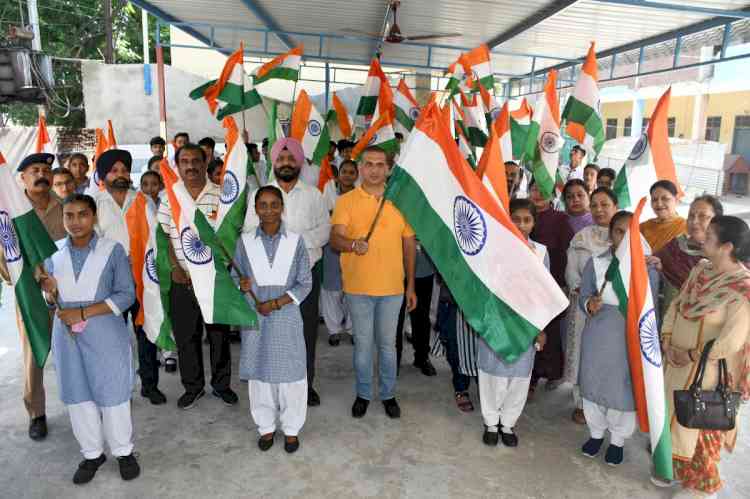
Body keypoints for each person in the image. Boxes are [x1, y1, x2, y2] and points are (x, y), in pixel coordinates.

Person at [39, 194, 140, 484]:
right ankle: (92, 453)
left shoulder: (113, 250)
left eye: (82, 214)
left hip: (105, 332)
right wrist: (50, 292)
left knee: (113, 393)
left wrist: (82, 312)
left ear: (94, 217)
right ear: (63, 219)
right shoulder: (54, 254)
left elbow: (125, 295)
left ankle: (123, 451)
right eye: (69, 215)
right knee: (78, 394)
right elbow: (50, 301)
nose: (75, 221)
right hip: (68, 337)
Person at [659, 216, 750, 498]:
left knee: (700, 425)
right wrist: (667, 340)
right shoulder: (701, 270)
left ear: (727, 247)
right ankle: (678, 472)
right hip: (676, 364)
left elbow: (731, 340)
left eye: (709, 235)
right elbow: (677, 304)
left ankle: (700, 488)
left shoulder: (742, 288)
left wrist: (691, 354)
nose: (701, 238)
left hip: (708, 375)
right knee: (674, 419)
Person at [330, 145, 417, 419]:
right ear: (360, 168)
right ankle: (364, 393)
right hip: (358, 288)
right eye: (369, 164)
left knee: (388, 346)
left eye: (380, 164)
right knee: (363, 346)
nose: (375, 170)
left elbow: (409, 245)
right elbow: (335, 239)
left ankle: (389, 394)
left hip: (393, 288)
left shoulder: (400, 201)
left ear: (388, 168)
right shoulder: (346, 201)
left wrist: (411, 285)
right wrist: (352, 244)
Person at [243, 137, 330, 407]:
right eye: (281, 159)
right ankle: (271, 387)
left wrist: (293, 245)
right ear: (273, 162)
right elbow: (247, 231)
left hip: (304, 279)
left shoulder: (313, 194)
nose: (286, 163)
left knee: (304, 334)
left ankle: (306, 384)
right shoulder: (261, 194)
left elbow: (324, 230)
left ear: (299, 162)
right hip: (267, 280)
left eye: (291, 158)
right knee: (268, 334)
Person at [158, 143, 237, 409]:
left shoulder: (220, 195)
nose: (190, 166)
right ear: (177, 166)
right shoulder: (170, 197)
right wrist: (176, 269)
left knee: (218, 336)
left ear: (206, 163)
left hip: (214, 280)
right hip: (182, 280)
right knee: (186, 337)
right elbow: (164, 238)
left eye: (196, 161)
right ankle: (193, 387)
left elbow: (229, 236)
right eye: (185, 161)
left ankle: (221, 385)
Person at [235, 186, 313, 454]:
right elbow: (235, 278)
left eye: (274, 204)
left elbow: (305, 283)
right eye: (263, 205)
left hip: (286, 316)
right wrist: (241, 284)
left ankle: (291, 429)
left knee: (291, 373)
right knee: (260, 374)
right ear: (255, 209)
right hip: (255, 316)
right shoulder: (244, 241)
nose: (268, 210)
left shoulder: (295, 240)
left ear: (282, 207)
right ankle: (265, 426)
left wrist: (277, 303)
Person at [578, 210, 659, 466]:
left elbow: (652, 308)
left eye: (629, 232)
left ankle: (617, 441)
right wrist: (589, 303)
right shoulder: (597, 262)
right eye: (619, 231)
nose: (624, 237)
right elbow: (584, 295)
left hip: (629, 338)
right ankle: (595, 434)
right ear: (610, 234)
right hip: (598, 334)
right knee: (593, 383)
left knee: (623, 390)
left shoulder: (646, 268)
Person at [0, 153, 65, 441]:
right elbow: (5, 256)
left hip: (65, 293)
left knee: (74, 351)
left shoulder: (65, 207)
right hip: (29, 294)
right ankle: (36, 413)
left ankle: (82, 404)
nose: (42, 174)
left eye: (46, 170)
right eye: (35, 170)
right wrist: (23, 277)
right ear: (22, 178)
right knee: (33, 357)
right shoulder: (12, 212)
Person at [93, 149, 166, 405]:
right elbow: (92, 241)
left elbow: (156, 237)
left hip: (141, 278)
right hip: (109, 282)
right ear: (104, 176)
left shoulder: (142, 201)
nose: (120, 175)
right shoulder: (94, 202)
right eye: (114, 171)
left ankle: (149, 384)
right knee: (112, 336)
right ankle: (118, 387)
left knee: (145, 332)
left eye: (124, 170)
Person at [479, 198, 548, 448]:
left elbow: (544, 294)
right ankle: (490, 422)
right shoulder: (492, 249)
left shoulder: (540, 252)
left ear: (534, 223)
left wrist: (540, 329)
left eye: (527, 220)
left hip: (525, 324)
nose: (521, 224)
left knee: (519, 376)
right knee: (492, 374)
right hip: (497, 321)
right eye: (515, 219)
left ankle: (507, 423)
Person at [564, 187, 619, 424]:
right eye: (594, 204)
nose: (598, 210)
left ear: (615, 207)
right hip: (585, 308)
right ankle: (581, 402)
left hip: (617, 313)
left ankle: (610, 403)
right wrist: (586, 293)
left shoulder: (628, 236)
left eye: (604, 204)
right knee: (582, 353)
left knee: (612, 357)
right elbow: (571, 272)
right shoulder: (581, 237)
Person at [528, 179, 573, 394]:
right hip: (524, 286)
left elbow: (566, 254)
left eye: (543, 190)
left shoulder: (560, 219)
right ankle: (528, 376)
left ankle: (545, 374)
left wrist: (562, 285)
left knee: (548, 332)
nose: (538, 194)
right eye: (534, 188)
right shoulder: (521, 214)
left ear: (553, 194)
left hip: (551, 284)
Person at [651, 195, 723, 317]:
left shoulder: (724, 255)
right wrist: (658, 268)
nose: (694, 221)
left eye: (702, 216)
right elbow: (662, 275)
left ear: (718, 221)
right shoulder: (676, 245)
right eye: (691, 215)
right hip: (668, 316)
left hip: (703, 322)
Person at [321, 160, 358, 346]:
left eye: (352, 172)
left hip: (354, 247)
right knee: (331, 290)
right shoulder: (329, 191)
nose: (347, 175)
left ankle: (352, 329)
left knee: (353, 289)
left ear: (356, 176)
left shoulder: (361, 195)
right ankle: (334, 329)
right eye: (344, 171)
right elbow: (325, 215)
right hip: (332, 245)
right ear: (339, 174)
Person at [396, 238, 436, 376]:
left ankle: (422, 357)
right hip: (397, 270)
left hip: (423, 269)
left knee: (422, 318)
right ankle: (394, 360)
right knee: (395, 318)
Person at [640, 180, 686, 253]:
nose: (659, 204)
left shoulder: (686, 227)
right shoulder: (643, 227)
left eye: (665, 199)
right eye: (654, 200)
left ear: (676, 200)